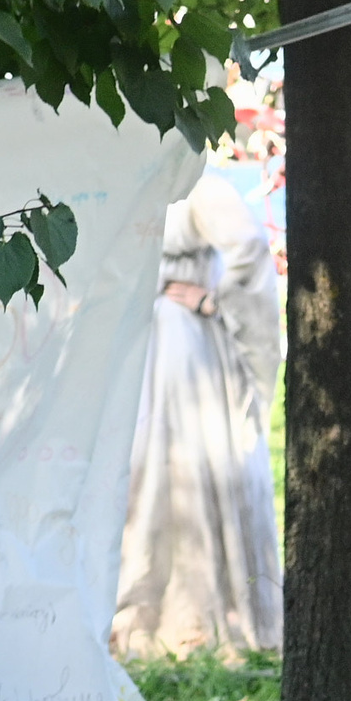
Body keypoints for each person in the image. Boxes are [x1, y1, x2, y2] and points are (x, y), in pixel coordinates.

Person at [112, 173, 284, 660]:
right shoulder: (140, 182)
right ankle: (157, 612)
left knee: (187, 468)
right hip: (149, 342)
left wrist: (213, 300)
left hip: (186, 344)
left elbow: (249, 248)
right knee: (152, 477)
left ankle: (199, 615)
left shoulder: (201, 187)